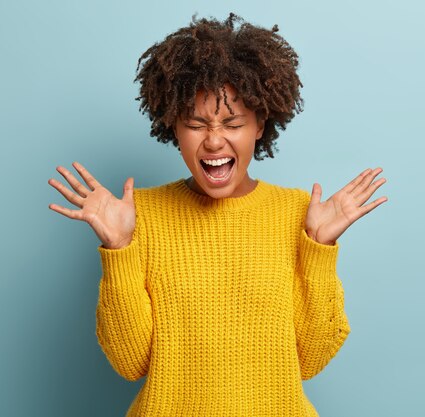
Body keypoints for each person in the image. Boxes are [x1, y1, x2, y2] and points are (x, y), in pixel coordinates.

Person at [48, 12, 387, 417]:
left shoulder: (301, 216)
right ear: (173, 125)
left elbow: (311, 359)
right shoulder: (141, 217)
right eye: (196, 123)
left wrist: (320, 248)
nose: (213, 141)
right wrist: (119, 248)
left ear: (260, 125)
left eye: (232, 123)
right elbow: (129, 362)